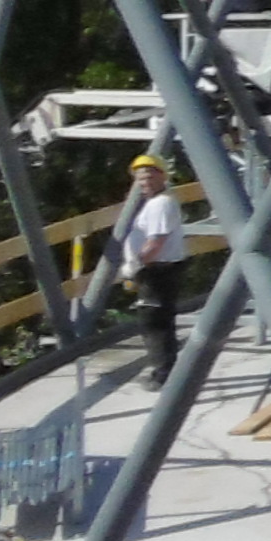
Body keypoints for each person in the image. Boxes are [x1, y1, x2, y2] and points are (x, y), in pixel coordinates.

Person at [111, 156, 187, 384]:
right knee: (158, 320)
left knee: (155, 323)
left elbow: (156, 242)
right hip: (157, 269)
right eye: (140, 178)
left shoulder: (160, 204)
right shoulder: (156, 202)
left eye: (150, 176)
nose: (145, 182)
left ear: (163, 175)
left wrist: (136, 263)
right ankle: (166, 370)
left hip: (158, 270)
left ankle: (163, 374)